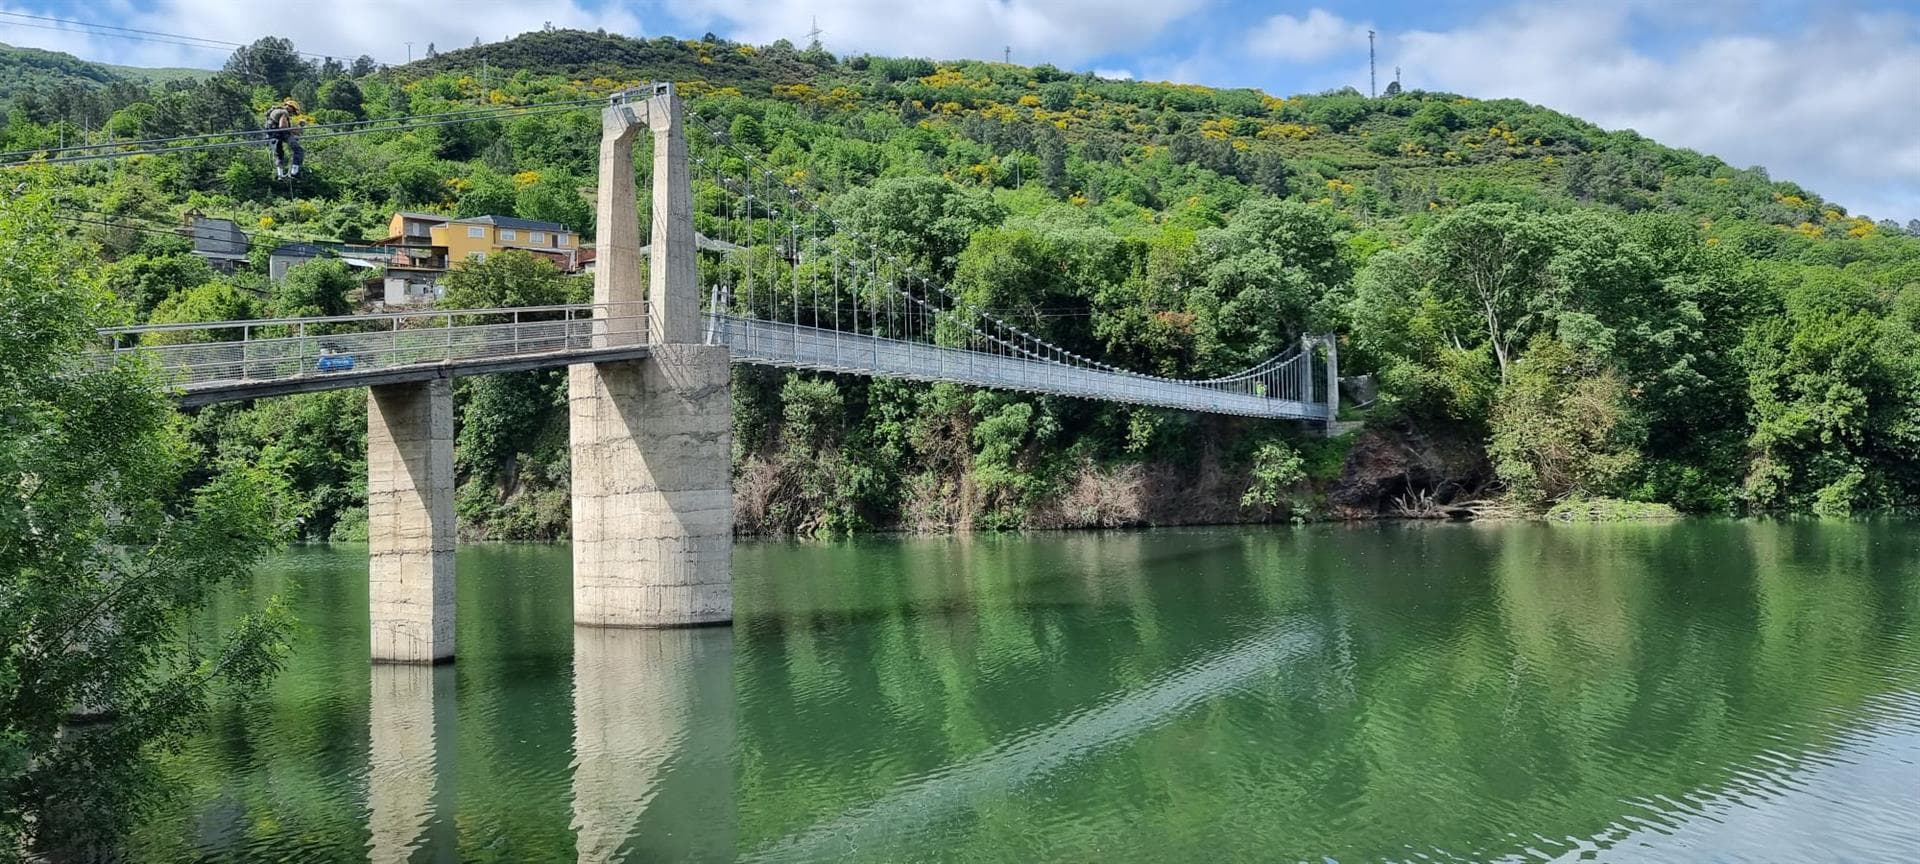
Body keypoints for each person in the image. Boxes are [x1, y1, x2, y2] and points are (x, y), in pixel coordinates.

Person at [264, 97, 304, 180]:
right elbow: (283, 127)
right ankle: (294, 172)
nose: (292, 114)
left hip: (272, 136)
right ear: (290, 107)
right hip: (281, 134)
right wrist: (299, 128)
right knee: (298, 150)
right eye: (293, 112)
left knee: (279, 155)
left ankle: (280, 175)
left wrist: (299, 128)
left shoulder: (275, 111)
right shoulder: (284, 112)